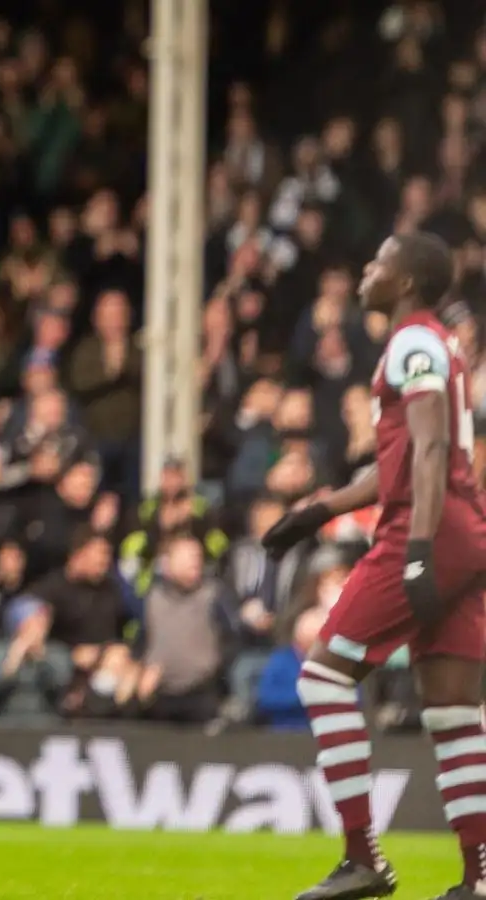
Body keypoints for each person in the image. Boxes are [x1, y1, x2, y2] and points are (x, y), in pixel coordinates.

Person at [263, 231, 486, 900]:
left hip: (428, 530)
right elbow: (403, 462)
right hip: (465, 534)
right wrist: (319, 508)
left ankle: (363, 858)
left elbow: (429, 450)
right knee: (453, 714)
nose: (367, 269)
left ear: (408, 282)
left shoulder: (413, 342)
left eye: (380, 261)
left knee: (323, 679)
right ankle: (479, 877)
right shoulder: (441, 346)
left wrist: (417, 551)